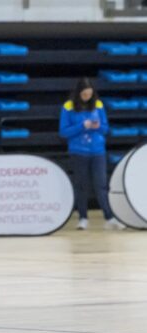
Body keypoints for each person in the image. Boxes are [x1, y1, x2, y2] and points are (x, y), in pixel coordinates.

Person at [59, 78, 125, 231]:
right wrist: (82, 126)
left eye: (89, 94)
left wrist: (98, 126)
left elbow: (105, 129)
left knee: (101, 185)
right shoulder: (68, 106)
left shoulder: (98, 104)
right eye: (84, 94)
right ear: (78, 93)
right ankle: (83, 217)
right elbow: (63, 132)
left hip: (97, 151)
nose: (87, 97)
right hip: (78, 151)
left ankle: (109, 217)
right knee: (81, 186)